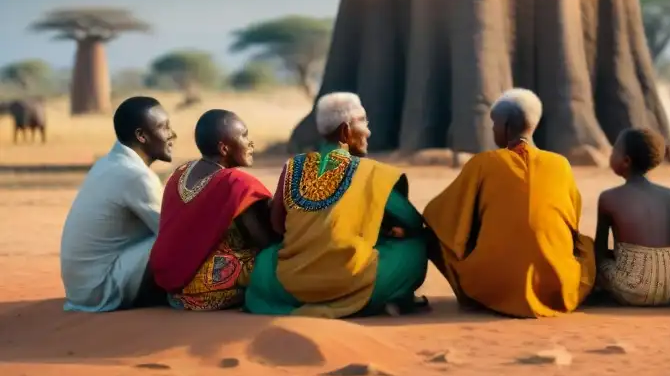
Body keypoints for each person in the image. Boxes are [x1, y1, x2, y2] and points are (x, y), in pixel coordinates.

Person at [245, 92, 429, 318]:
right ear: (345, 131)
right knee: (415, 246)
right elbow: (412, 221)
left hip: (293, 285)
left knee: (266, 259)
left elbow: (277, 225)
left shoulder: (294, 166)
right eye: (362, 122)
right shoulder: (371, 173)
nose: (368, 131)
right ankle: (374, 300)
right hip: (350, 279)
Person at [423, 88, 596, 318]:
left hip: (494, 286)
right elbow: (571, 219)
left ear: (504, 126)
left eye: (494, 125)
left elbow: (438, 214)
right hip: (556, 285)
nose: (493, 130)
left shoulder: (483, 163)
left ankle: (473, 296)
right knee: (587, 246)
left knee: (434, 233)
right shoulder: (560, 164)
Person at [148, 110, 278, 311]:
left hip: (173, 290)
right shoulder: (237, 183)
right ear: (224, 148)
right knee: (276, 259)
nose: (250, 143)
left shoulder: (180, 173)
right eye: (244, 136)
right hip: (204, 292)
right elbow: (264, 240)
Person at [60, 96, 175, 312]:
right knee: (181, 238)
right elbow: (172, 232)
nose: (172, 135)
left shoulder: (109, 163)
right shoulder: (135, 176)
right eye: (164, 128)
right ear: (141, 136)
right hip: (101, 290)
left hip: (83, 289)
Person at [595, 128, 670, 307]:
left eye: (614, 151)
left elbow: (600, 249)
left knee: (589, 249)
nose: (611, 154)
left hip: (631, 289)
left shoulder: (608, 198)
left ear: (626, 161)